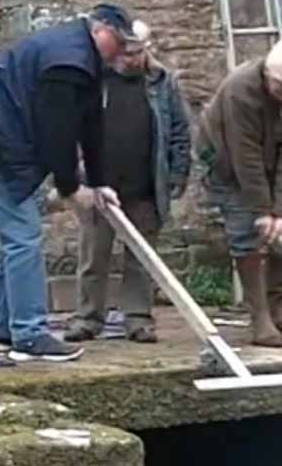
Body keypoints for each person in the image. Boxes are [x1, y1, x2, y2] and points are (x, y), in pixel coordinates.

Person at [0, 3, 136, 363]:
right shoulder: (67, 62)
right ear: (101, 32)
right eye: (120, 42)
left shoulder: (86, 63)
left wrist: (98, 183)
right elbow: (57, 133)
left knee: (17, 232)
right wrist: (70, 188)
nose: (124, 53)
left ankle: (1, 332)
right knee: (23, 231)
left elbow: (91, 126)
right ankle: (30, 334)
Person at [63, 20, 192, 344]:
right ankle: (88, 318)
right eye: (124, 52)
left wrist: (177, 174)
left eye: (135, 52)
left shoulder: (162, 83)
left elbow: (179, 130)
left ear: (147, 49)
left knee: (142, 258)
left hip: (146, 184)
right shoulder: (95, 79)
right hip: (100, 185)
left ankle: (138, 319)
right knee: (94, 255)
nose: (129, 59)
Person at [196, 31, 282, 347]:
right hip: (228, 163)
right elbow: (245, 155)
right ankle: (260, 315)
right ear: (268, 73)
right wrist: (263, 212)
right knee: (247, 233)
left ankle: (279, 306)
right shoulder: (242, 88)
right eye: (279, 86)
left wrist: (280, 212)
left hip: (274, 162)